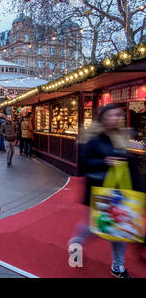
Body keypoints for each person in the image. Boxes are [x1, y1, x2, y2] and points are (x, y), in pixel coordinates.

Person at [69, 104, 133, 278]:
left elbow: (127, 161)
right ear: (104, 117)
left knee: (119, 230)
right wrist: (105, 162)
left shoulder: (120, 136)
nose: (115, 119)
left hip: (119, 191)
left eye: (117, 115)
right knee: (95, 226)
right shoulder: (93, 137)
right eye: (111, 115)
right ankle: (76, 242)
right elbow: (84, 163)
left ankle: (118, 267)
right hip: (99, 190)